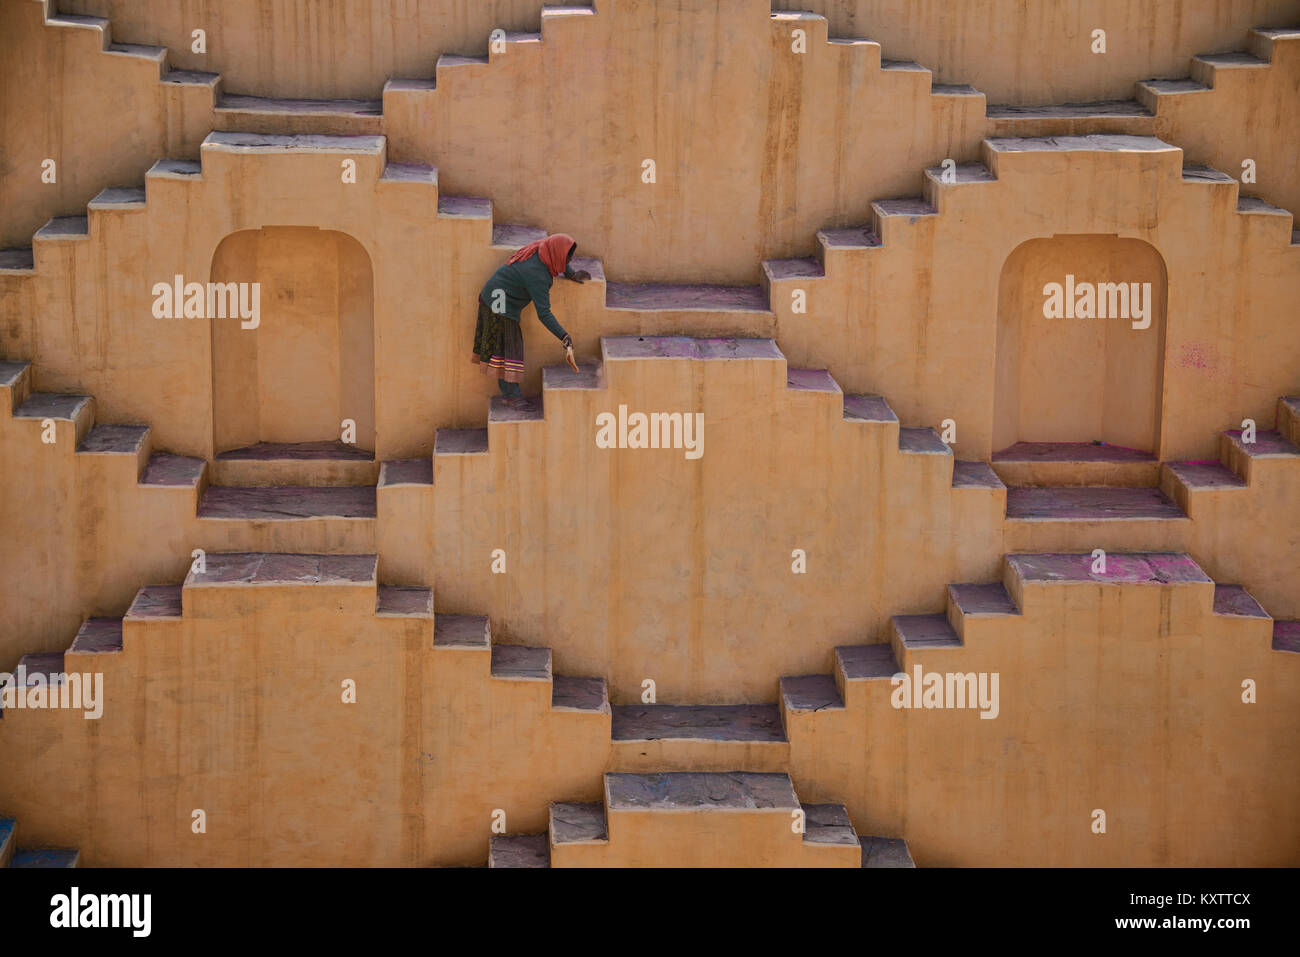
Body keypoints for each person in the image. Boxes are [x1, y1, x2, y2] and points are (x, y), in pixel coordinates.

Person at [472, 233, 589, 405]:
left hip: (496, 294)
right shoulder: (538, 276)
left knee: (508, 345)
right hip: (497, 301)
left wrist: (571, 273)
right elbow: (544, 313)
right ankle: (511, 396)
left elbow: (559, 256)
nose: (568, 262)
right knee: (509, 347)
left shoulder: (543, 249)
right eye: (567, 259)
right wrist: (563, 336)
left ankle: (511, 394)